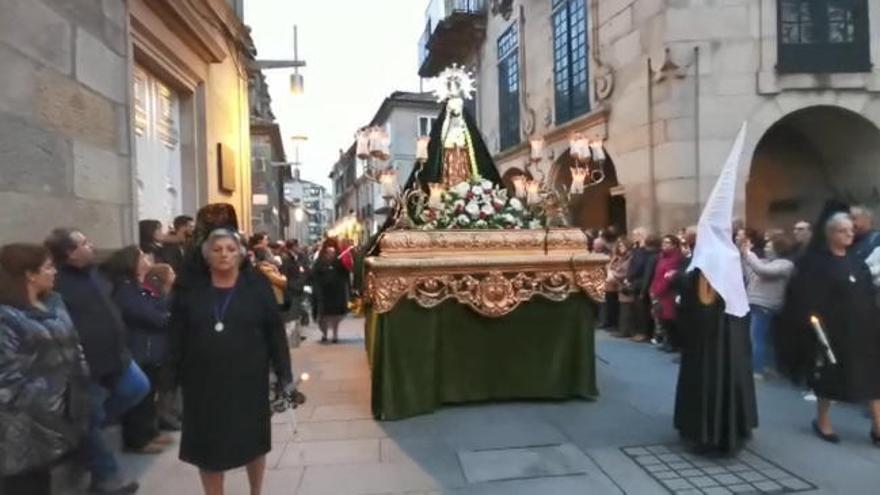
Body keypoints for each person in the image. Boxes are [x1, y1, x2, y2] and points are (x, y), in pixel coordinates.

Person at [167, 229, 292, 495]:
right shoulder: (191, 289)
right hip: (202, 381)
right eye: (217, 249)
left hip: (248, 378)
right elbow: (176, 333)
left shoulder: (257, 285)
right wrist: (169, 377)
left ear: (240, 255)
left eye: (230, 249)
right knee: (207, 447)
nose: (224, 254)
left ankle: (255, 490)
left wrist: (284, 372)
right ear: (207, 256)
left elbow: (274, 331)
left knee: (253, 440)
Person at [46, 229, 145, 494]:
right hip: (86, 364)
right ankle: (107, 480)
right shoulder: (57, 284)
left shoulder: (96, 273)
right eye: (84, 243)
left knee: (137, 387)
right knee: (88, 417)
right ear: (69, 253)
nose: (92, 246)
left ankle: (85, 431)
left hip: (117, 356)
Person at [779, 207, 880, 446]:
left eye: (851, 230)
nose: (849, 235)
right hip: (833, 332)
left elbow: (867, 291)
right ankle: (822, 421)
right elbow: (807, 298)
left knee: (874, 379)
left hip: (864, 331)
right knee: (830, 380)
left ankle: (878, 426)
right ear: (831, 234)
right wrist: (816, 327)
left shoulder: (857, 262)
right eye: (843, 231)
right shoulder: (816, 263)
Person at [0, 244, 90, 495]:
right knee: (26, 484)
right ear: (30, 274)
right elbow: (6, 380)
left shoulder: (53, 302)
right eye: (48, 267)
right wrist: (47, 402)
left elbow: (75, 345)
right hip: (24, 424)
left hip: (63, 410)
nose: (54, 272)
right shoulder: (7, 317)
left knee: (44, 481)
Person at [101, 247, 173, 455]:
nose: (146, 258)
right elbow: (145, 313)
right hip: (139, 346)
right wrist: (165, 317)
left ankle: (150, 432)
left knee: (150, 394)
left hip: (151, 347)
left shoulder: (140, 285)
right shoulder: (125, 288)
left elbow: (157, 304)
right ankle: (139, 439)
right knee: (141, 397)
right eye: (141, 256)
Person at [740, 233, 796, 379]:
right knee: (764, 338)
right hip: (757, 302)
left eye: (769, 246)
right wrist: (745, 258)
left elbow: (763, 271)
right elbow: (752, 273)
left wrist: (749, 254)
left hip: (766, 304)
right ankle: (766, 366)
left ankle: (758, 369)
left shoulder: (785, 264)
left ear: (778, 248)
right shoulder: (767, 261)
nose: (766, 248)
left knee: (757, 338)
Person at [145, 263, 182, 432]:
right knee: (166, 383)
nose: (174, 275)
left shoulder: (171, 295)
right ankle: (165, 415)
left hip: (170, 344)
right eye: (171, 272)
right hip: (160, 347)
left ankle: (172, 413)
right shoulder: (157, 297)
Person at [649, 235, 684, 352]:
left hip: (669, 293)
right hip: (659, 292)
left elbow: (668, 277)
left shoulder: (677, 258)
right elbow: (657, 274)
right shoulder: (661, 257)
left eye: (668, 243)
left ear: (674, 245)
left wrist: (658, 291)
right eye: (663, 242)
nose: (664, 245)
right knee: (662, 318)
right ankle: (667, 340)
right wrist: (653, 289)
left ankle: (673, 343)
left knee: (671, 319)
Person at [310, 244, 350, 343]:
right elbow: (314, 276)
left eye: (333, 252)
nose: (331, 254)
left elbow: (345, 274)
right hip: (324, 294)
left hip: (336, 294)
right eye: (329, 252)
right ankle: (324, 334)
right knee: (323, 317)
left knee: (335, 317)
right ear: (325, 253)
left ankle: (335, 335)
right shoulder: (319, 263)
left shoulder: (338, 262)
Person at [627, 233, 659, 343]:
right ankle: (645, 332)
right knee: (644, 310)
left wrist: (642, 289)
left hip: (642, 284)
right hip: (646, 284)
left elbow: (644, 271)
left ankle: (643, 333)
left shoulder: (645, 254)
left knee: (642, 311)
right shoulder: (653, 254)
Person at [606, 239, 633, 337]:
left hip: (626, 284)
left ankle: (625, 331)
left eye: (622, 246)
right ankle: (622, 329)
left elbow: (626, 271)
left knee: (626, 308)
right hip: (619, 284)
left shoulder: (630, 257)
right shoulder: (621, 257)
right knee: (622, 307)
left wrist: (613, 274)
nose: (620, 248)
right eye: (619, 246)